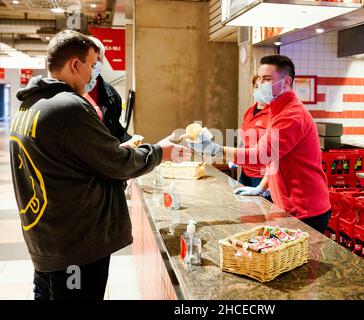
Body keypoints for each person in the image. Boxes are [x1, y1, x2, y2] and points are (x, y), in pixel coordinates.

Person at [9, 30, 190, 300]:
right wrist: (159, 152)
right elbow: (117, 163)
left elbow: (70, 163)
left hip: (47, 239)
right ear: (74, 64)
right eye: (92, 65)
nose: (94, 73)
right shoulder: (68, 107)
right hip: (76, 245)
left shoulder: (29, 105)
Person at [187, 55, 331, 234]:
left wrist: (214, 149)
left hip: (306, 209)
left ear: (286, 82)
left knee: (301, 260)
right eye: (260, 79)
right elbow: (274, 158)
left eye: (267, 79)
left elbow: (262, 155)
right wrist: (261, 188)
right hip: (286, 203)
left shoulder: (291, 115)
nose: (261, 84)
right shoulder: (277, 110)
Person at [83, 36, 133, 144]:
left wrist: (137, 146)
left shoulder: (110, 93)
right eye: (92, 59)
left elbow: (115, 129)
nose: (96, 63)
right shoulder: (67, 91)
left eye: (99, 58)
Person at [236, 75, 270, 188]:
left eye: (263, 87)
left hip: (261, 175)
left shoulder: (273, 114)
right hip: (245, 172)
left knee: (260, 205)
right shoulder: (249, 111)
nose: (259, 90)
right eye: (256, 86)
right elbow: (245, 138)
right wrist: (237, 155)